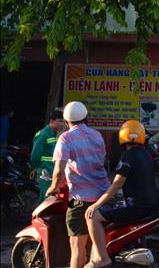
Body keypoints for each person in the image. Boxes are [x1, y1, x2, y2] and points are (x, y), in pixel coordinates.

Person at [84, 120, 159, 268]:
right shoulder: (146, 153)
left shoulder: (128, 156)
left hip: (137, 204)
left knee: (93, 216)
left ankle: (101, 258)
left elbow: (117, 183)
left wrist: (97, 204)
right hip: (152, 202)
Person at [46, 101, 109, 268]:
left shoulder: (65, 138)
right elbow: (101, 161)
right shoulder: (97, 135)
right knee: (96, 242)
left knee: (77, 245)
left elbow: (58, 171)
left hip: (82, 199)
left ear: (66, 121)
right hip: (104, 195)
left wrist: (53, 187)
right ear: (86, 117)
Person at [30, 109, 64, 202]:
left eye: (63, 122)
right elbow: (35, 156)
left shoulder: (54, 135)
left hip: (52, 171)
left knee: (52, 199)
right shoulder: (43, 134)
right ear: (51, 121)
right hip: (45, 172)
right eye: (59, 121)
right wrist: (36, 167)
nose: (62, 124)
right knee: (46, 199)